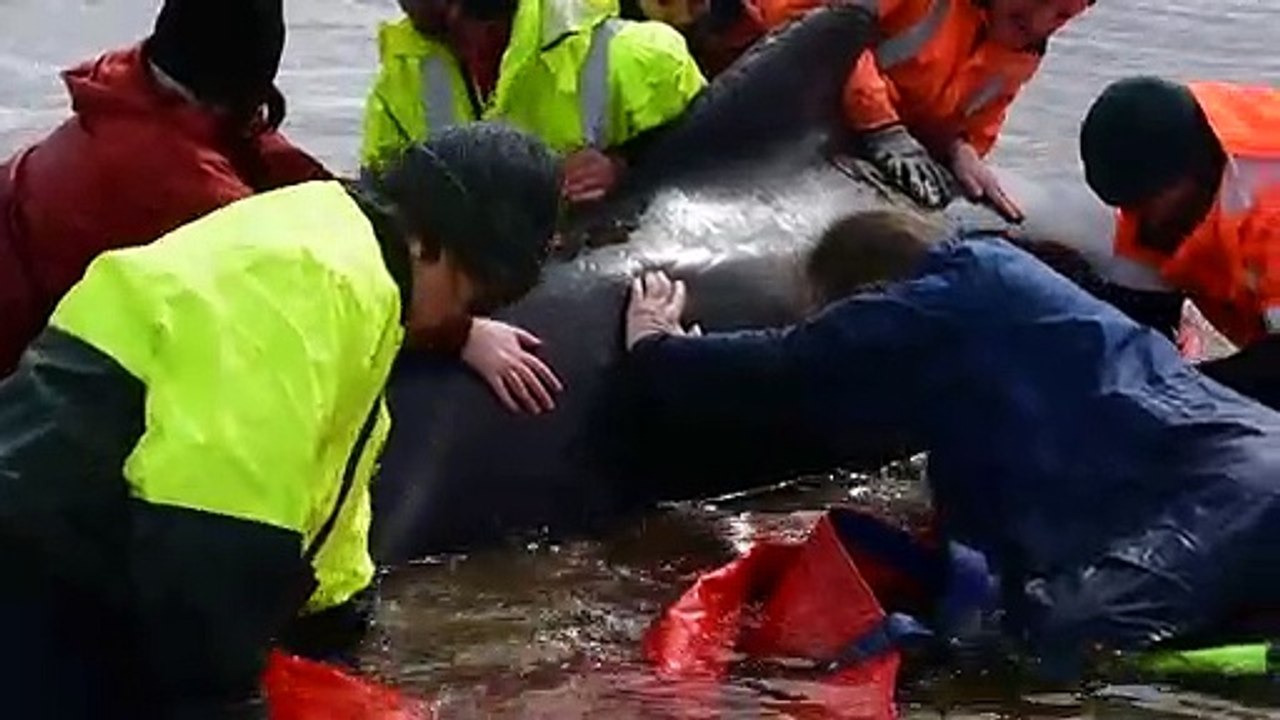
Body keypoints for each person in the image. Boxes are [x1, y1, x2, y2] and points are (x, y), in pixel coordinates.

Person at [0, 123, 562, 718]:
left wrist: (335, 619)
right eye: (473, 299)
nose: (459, 321)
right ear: (433, 242)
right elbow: (214, 530)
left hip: (111, 558)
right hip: (42, 568)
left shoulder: (353, 262)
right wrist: (228, 700)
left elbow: (330, 481)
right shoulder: (310, 283)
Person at [620, 208, 1280, 678]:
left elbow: (793, 362)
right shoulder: (995, 280)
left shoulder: (934, 300)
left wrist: (657, 350)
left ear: (867, 295)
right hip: (1249, 459)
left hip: (1224, 500)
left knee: (1041, 643)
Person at [0, 0, 330, 377]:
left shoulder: (133, 88)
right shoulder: (182, 187)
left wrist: (340, 196)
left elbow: (251, 143)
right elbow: (295, 301)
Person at [738, 0, 1094, 219]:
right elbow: (805, 18)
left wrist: (959, 149)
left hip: (841, 157)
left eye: (1063, 14)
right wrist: (881, 125)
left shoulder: (1020, 52)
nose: (1039, 20)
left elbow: (966, 124)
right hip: (754, 99)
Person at [361, 0, 706, 203]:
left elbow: (723, 179)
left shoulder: (646, 57)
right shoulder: (399, 82)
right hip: (478, 310)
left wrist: (624, 167)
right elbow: (384, 209)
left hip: (635, 295)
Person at [1079, 76, 1280, 411]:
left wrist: (1180, 388)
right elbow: (1138, 311)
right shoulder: (1165, 132)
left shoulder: (1267, 213)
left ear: (1195, 170)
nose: (1140, 219)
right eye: (1127, 203)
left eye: (1148, 200)